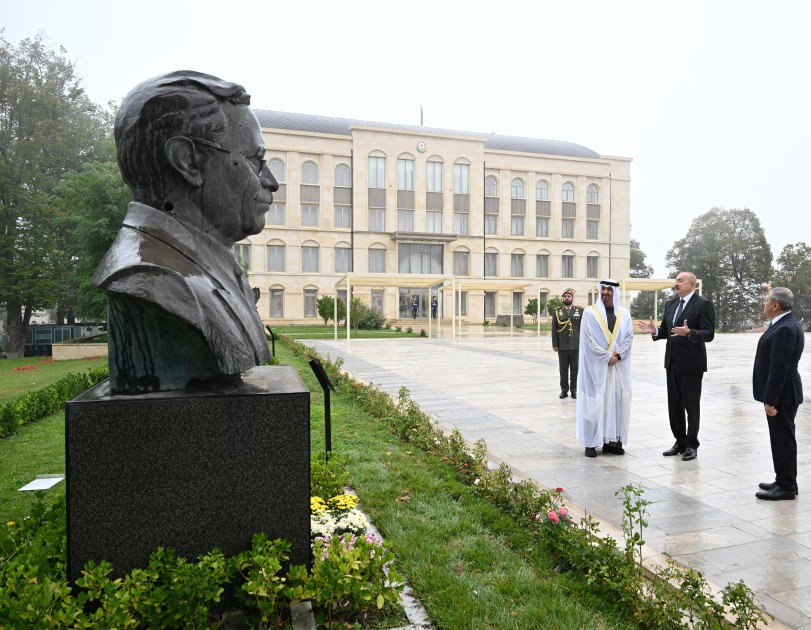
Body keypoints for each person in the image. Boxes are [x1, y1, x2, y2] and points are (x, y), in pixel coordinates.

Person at [93, 71, 279, 394]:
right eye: (255, 160)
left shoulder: (214, 264)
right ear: (188, 161)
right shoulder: (152, 278)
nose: (271, 182)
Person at [637, 271, 715, 461]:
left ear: (692, 284)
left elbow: (709, 334)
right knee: (674, 406)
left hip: (692, 364)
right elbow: (667, 330)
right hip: (672, 362)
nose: (676, 283)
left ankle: (692, 445)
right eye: (676, 280)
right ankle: (680, 441)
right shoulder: (671, 303)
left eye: (680, 280)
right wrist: (655, 331)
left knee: (691, 406)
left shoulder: (703, 304)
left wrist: (689, 332)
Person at [753, 287, 804, 501]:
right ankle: (783, 479)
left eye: (766, 301)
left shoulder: (785, 328)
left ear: (775, 305)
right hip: (783, 392)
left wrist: (770, 399)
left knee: (783, 439)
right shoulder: (784, 324)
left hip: (783, 394)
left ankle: (786, 486)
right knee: (780, 438)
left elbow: (779, 367)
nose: (764, 304)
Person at [576, 279, 633, 457]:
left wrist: (618, 356)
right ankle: (591, 443)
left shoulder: (624, 314)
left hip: (618, 368)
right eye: (604, 289)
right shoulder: (589, 313)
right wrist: (606, 357)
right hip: (595, 368)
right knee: (594, 403)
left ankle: (612, 442)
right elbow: (588, 339)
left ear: (615, 292)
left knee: (616, 402)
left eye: (610, 289)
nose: (606, 292)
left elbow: (629, 337)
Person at [551, 288, 582, 399]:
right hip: (562, 345)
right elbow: (554, 329)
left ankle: (574, 390)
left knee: (575, 370)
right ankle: (564, 390)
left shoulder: (580, 311)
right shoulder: (557, 311)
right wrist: (555, 344)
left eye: (569, 296)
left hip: (575, 345)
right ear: (563, 299)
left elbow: (583, 328)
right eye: (565, 296)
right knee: (563, 369)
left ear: (572, 298)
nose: (567, 298)